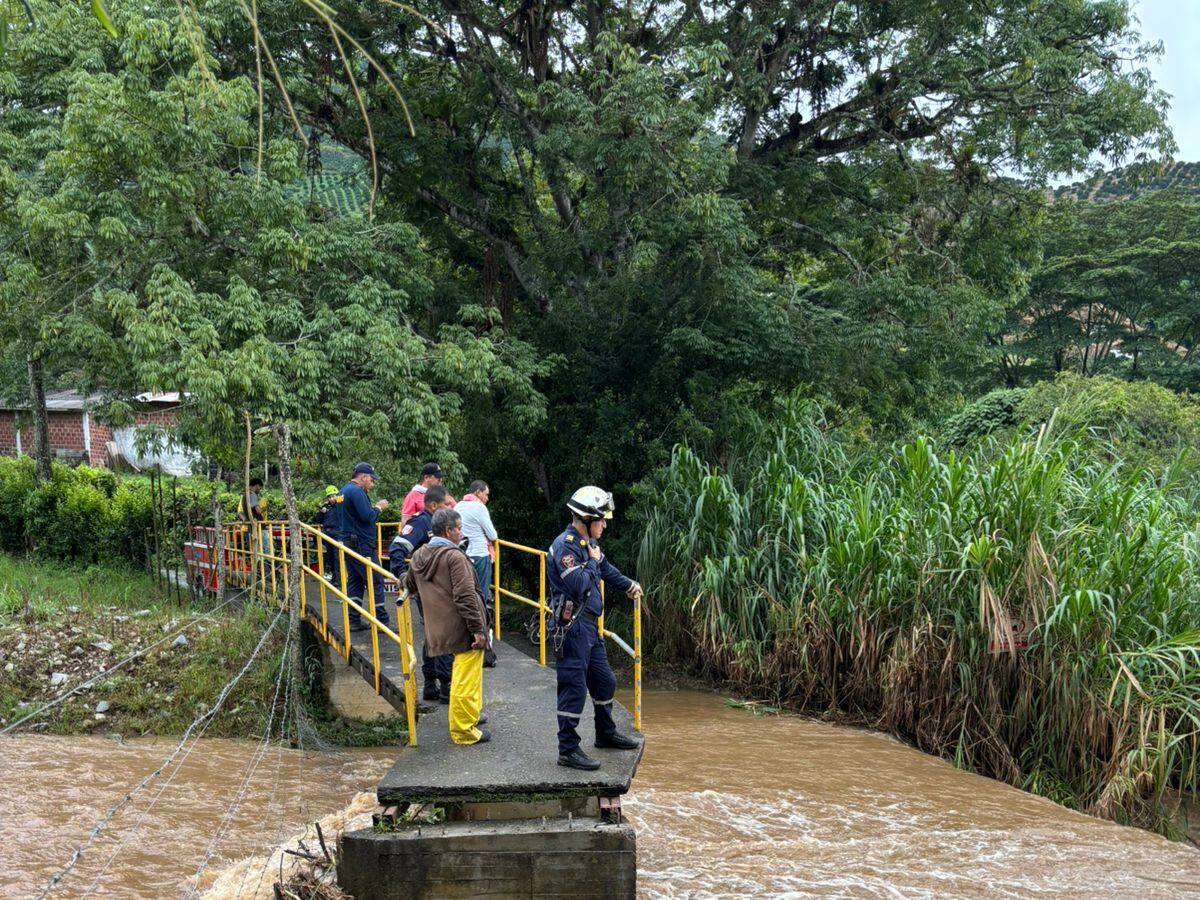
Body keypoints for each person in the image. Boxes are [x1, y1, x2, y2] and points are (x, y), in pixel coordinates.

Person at [548, 486, 643, 771]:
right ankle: (568, 749)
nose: (604, 525)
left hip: (590, 628)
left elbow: (605, 569)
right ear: (586, 519)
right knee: (574, 689)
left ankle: (605, 733)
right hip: (572, 627)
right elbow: (580, 583)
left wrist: (628, 585)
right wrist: (592, 559)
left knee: (605, 681)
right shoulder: (568, 545)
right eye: (601, 520)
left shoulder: (587, 544)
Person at [404, 508, 491, 746]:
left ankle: (471, 716)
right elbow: (465, 596)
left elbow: (408, 582)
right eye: (459, 528)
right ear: (448, 530)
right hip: (461, 627)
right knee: (465, 678)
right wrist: (478, 629)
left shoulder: (421, 553)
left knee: (465, 677)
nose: (461, 532)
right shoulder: (454, 557)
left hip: (438, 628)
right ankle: (464, 731)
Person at [389, 486, 452, 702]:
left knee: (433, 635)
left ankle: (431, 684)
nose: (449, 508)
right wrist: (402, 574)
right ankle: (445, 685)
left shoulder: (440, 524)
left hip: (439, 590)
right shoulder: (420, 523)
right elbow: (396, 549)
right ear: (434, 505)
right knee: (442, 635)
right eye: (446, 505)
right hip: (429, 590)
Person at [337, 463, 391, 631]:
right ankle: (381, 621)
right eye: (371, 480)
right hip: (361, 543)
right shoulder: (357, 491)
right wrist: (378, 507)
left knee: (356, 580)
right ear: (363, 477)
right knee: (375, 579)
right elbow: (367, 517)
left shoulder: (343, 491)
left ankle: (353, 619)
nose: (372, 484)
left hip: (348, 542)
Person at [457, 480, 498, 601]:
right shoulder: (479, 507)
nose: (487, 498)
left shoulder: (458, 505)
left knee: (465, 594)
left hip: (461, 555)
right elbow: (493, 535)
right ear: (478, 492)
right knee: (480, 595)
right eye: (486, 494)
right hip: (479, 556)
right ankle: (480, 619)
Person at [314, 485, 342, 580]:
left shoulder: (340, 504)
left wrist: (337, 498)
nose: (332, 498)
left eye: (333, 496)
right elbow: (318, 520)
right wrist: (322, 512)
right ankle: (335, 578)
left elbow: (343, 499)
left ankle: (339, 579)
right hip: (328, 533)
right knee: (330, 557)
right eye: (330, 497)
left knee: (337, 556)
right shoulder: (326, 507)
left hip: (338, 532)